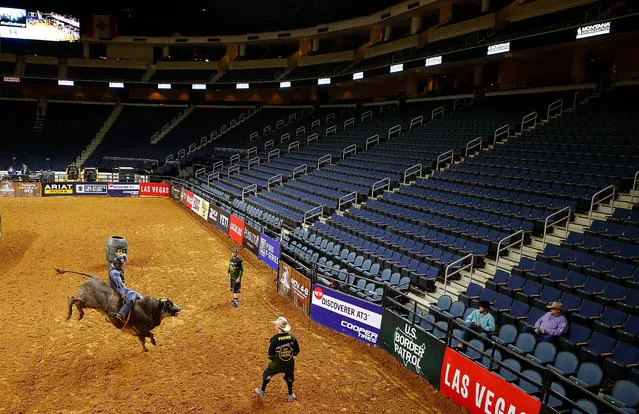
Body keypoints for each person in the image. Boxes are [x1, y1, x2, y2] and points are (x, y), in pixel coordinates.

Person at [255, 317, 300, 402]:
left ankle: (262, 391)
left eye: (275, 325)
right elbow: (296, 351)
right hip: (289, 364)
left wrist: (276, 359)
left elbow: (270, 355)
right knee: (290, 376)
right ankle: (290, 395)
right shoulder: (292, 338)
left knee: (266, 373)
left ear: (279, 328)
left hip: (276, 365)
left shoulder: (274, 339)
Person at [108, 252, 142, 323]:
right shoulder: (114, 273)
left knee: (138, 296)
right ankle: (121, 314)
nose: (123, 266)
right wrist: (123, 295)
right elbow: (119, 285)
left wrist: (121, 255)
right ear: (117, 265)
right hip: (117, 289)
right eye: (121, 265)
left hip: (122, 286)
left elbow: (124, 256)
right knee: (130, 299)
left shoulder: (116, 263)